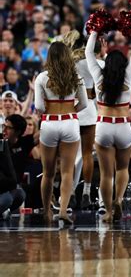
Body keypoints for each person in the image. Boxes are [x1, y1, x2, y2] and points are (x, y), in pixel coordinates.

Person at [85, 25, 131, 223]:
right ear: (123, 64)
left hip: (103, 127)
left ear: (106, 64)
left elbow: (87, 54)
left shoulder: (99, 77)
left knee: (106, 175)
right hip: (123, 127)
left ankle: (108, 211)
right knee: (122, 169)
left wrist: (94, 31)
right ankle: (118, 199)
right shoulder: (128, 76)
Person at [34, 41, 87, 224]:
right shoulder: (76, 77)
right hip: (70, 124)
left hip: (49, 124)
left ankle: (47, 211)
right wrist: (70, 111)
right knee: (67, 172)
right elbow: (84, 104)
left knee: (47, 173)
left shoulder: (41, 78)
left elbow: (39, 107)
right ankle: (63, 211)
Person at [65, 30, 102, 209]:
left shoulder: (68, 63)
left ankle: (70, 191)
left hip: (71, 108)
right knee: (87, 153)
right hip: (88, 108)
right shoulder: (91, 62)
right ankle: (86, 192)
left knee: (70, 154)